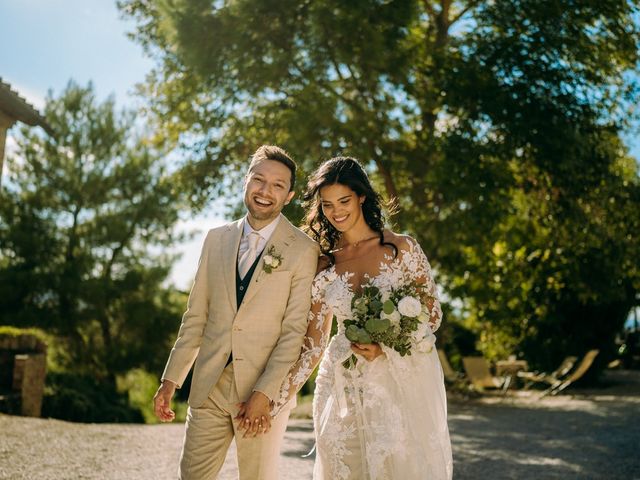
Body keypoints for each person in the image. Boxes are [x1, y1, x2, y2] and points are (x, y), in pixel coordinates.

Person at [270, 157, 453, 479]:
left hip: (393, 381)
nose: (336, 211)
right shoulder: (324, 262)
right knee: (342, 462)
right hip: (339, 380)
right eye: (326, 205)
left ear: (362, 197)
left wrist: (389, 345)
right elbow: (313, 341)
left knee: (395, 463)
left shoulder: (402, 248)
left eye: (344, 201)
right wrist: (275, 396)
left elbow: (432, 313)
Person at [153, 145, 319, 480]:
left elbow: (293, 333)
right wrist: (171, 380)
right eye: (259, 180)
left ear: (289, 196)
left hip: (261, 393)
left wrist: (264, 393)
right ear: (246, 181)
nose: (265, 191)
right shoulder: (216, 239)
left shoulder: (303, 250)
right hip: (209, 385)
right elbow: (196, 316)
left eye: (277, 185)